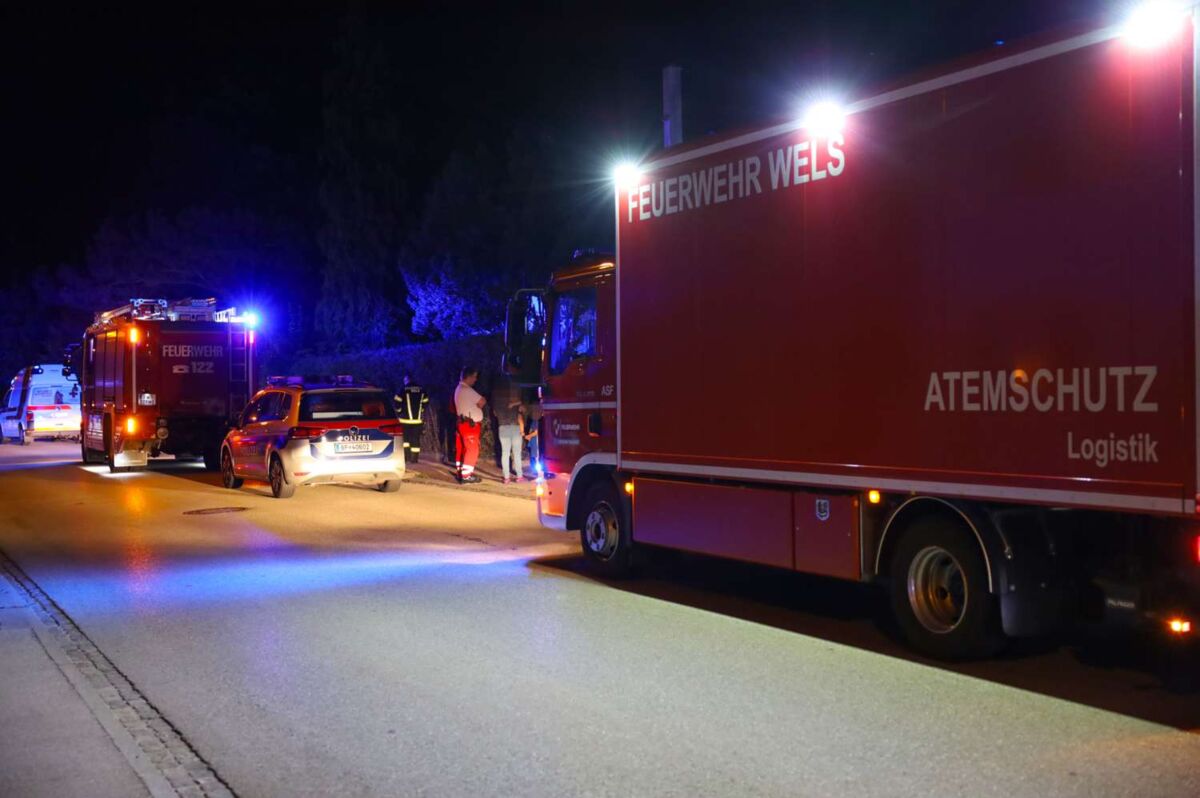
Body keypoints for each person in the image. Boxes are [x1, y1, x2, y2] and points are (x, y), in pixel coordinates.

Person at [453, 367, 486, 483]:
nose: (475, 379)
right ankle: (466, 476)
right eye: (474, 377)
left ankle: (460, 471)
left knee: (462, 448)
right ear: (469, 376)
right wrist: (477, 406)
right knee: (472, 450)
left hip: (462, 423)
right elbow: (482, 401)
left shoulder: (458, 389)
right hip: (469, 425)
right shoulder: (467, 389)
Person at [492, 368, 524, 484]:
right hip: (514, 426)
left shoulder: (496, 399)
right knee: (517, 453)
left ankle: (506, 478)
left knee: (505, 453)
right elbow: (520, 412)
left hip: (502, 426)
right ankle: (519, 476)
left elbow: (495, 413)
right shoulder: (515, 397)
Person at [394, 374, 429, 463]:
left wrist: (399, 411)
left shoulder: (403, 389)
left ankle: (407, 457)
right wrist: (421, 410)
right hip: (417, 421)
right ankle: (414, 459)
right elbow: (426, 402)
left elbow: (396, 402)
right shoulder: (421, 389)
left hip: (405, 420)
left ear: (406, 380)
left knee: (406, 440)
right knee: (416, 439)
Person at [523, 389, 542, 476]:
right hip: (534, 439)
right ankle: (536, 471)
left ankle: (536, 471)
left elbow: (536, 431)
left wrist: (529, 436)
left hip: (535, 440)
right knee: (534, 455)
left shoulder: (535, 418)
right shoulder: (536, 417)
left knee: (535, 455)